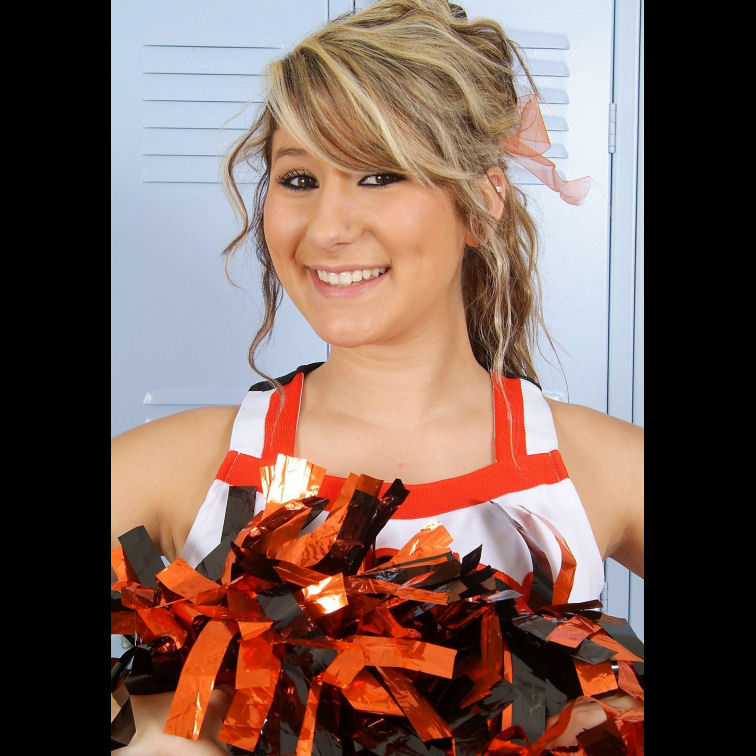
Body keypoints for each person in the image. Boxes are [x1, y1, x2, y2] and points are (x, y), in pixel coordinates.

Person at [111, 0, 643, 752]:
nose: (328, 228)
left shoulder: (596, 468)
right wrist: (156, 719)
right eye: (299, 179)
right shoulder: (184, 466)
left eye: (380, 175)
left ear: (481, 201)